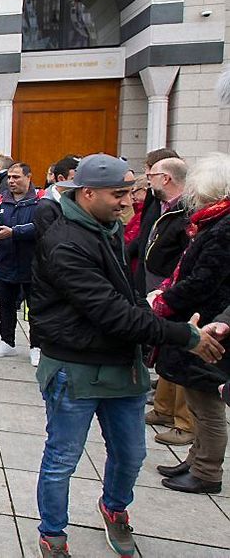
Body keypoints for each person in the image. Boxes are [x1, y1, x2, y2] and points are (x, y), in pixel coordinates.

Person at [28, 153, 224, 558]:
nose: (128, 201)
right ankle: (53, 533)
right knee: (61, 459)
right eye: (119, 194)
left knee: (131, 453)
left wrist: (153, 308)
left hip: (121, 366)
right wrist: (183, 336)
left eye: (131, 191)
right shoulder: (65, 241)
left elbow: (126, 297)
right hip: (74, 369)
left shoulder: (106, 227)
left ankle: (115, 509)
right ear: (87, 193)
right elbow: (109, 311)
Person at [149, 152, 230, 494]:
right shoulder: (213, 222)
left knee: (206, 400)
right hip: (200, 317)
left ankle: (207, 471)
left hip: (209, 324)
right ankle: (196, 459)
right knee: (197, 398)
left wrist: (166, 300)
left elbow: (203, 279)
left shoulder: (222, 229)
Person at [139, 157, 194, 447]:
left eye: (152, 174)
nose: (148, 179)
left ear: (168, 178)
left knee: (180, 350)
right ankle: (163, 407)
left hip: (177, 292)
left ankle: (184, 421)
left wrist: (170, 289)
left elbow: (188, 259)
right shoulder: (161, 205)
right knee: (165, 350)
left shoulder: (187, 211)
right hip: (157, 285)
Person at [0, 163, 43, 365]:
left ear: (28, 177)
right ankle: (6, 341)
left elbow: (44, 226)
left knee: (35, 307)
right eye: (9, 177)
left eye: (16, 177)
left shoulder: (41, 200)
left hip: (33, 265)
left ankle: (37, 346)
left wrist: (16, 232)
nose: (11, 181)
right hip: (5, 262)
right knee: (6, 305)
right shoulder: (0, 200)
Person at [127, 148, 181, 295]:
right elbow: (145, 232)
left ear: (165, 176)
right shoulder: (154, 197)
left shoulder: (184, 208)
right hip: (143, 272)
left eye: (151, 172)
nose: (147, 177)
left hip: (163, 281)